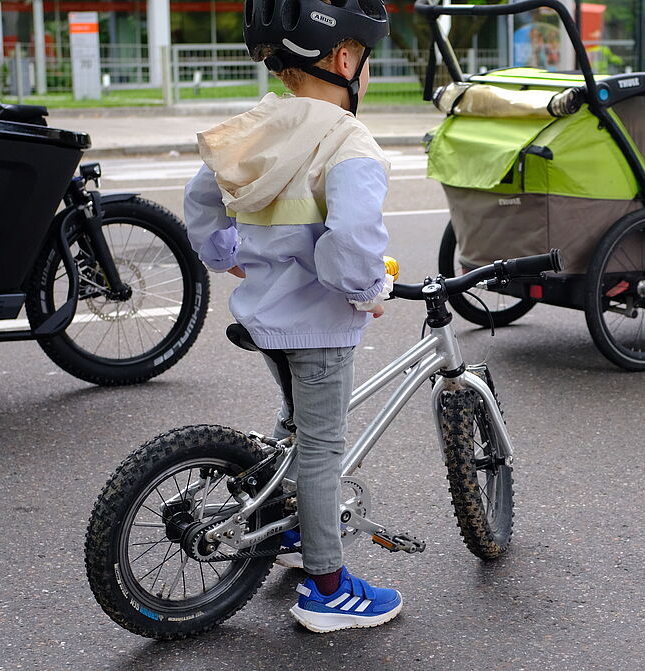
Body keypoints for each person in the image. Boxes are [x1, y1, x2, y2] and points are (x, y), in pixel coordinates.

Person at [181, 0, 402, 633]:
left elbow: (200, 198)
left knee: (295, 425)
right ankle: (327, 587)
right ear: (344, 59)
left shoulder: (257, 127)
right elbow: (353, 240)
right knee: (324, 448)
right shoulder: (347, 141)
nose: (365, 72)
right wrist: (367, 289)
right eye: (365, 59)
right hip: (319, 325)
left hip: (264, 318)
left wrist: (224, 254)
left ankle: (283, 524)